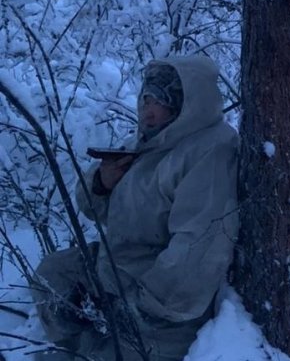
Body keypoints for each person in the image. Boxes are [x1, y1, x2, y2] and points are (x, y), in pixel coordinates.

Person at [31, 55, 239, 360]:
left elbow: (198, 247)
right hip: (117, 267)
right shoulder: (151, 141)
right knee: (53, 275)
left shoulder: (210, 152)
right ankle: (75, 348)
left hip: (161, 304)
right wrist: (102, 183)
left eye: (159, 101)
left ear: (185, 104)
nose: (146, 110)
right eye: (144, 99)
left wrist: (145, 304)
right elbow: (95, 210)